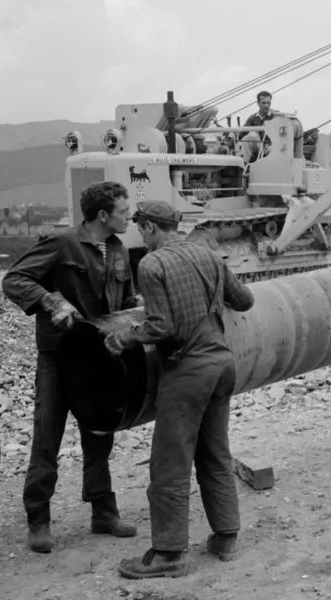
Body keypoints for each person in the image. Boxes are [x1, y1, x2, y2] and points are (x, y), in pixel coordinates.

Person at [104, 201, 254, 579]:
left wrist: (124, 337)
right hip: (222, 364)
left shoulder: (152, 264)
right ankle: (225, 535)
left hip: (188, 372)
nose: (140, 234)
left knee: (170, 462)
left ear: (152, 228)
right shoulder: (208, 256)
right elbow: (245, 300)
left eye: (141, 227)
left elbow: (161, 327)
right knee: (215, 453)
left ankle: (169, 554)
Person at [1, 181, 140, 553]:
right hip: (59, 357)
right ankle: (39, 519)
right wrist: (50, 301)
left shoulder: (118, 249)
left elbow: (123, 301)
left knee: (99, 431)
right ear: (102, 215)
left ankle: (103, 512)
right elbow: (14, 280)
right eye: (125, 212)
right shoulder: (62, 244)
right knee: (48, 436)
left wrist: (138, 304)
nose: (130, 217)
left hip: (99, 356)